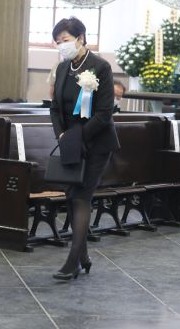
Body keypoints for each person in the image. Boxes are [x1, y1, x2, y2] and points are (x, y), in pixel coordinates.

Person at [49, 17, 119, 280]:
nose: (61, 46)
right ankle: (84, 256)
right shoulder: (64, 67)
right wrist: (62, 135)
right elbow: (55, 107)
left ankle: (73, 261)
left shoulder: (100, 67)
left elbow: (104, 114)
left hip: (97, 144)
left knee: (81, 197)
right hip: (71, 143)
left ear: (80, 38)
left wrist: (76, 137)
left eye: (65, 40)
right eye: (57, 42)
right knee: (71, 196)